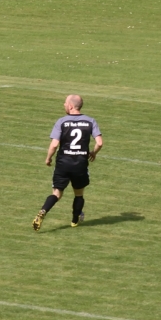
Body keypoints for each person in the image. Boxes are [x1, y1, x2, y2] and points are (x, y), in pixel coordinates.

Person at [33, 94, 104, 231]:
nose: (64, 105)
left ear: (71, 106)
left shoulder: (62, 122)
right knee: (79, 194)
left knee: (57, 193)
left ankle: (43, 211)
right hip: (80, 164)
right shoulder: (90, 121)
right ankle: (74, 221)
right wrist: (93, 153)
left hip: (63, 163)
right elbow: (99, 143)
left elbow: (54, 144)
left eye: (65, 103)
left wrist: (48, 158)